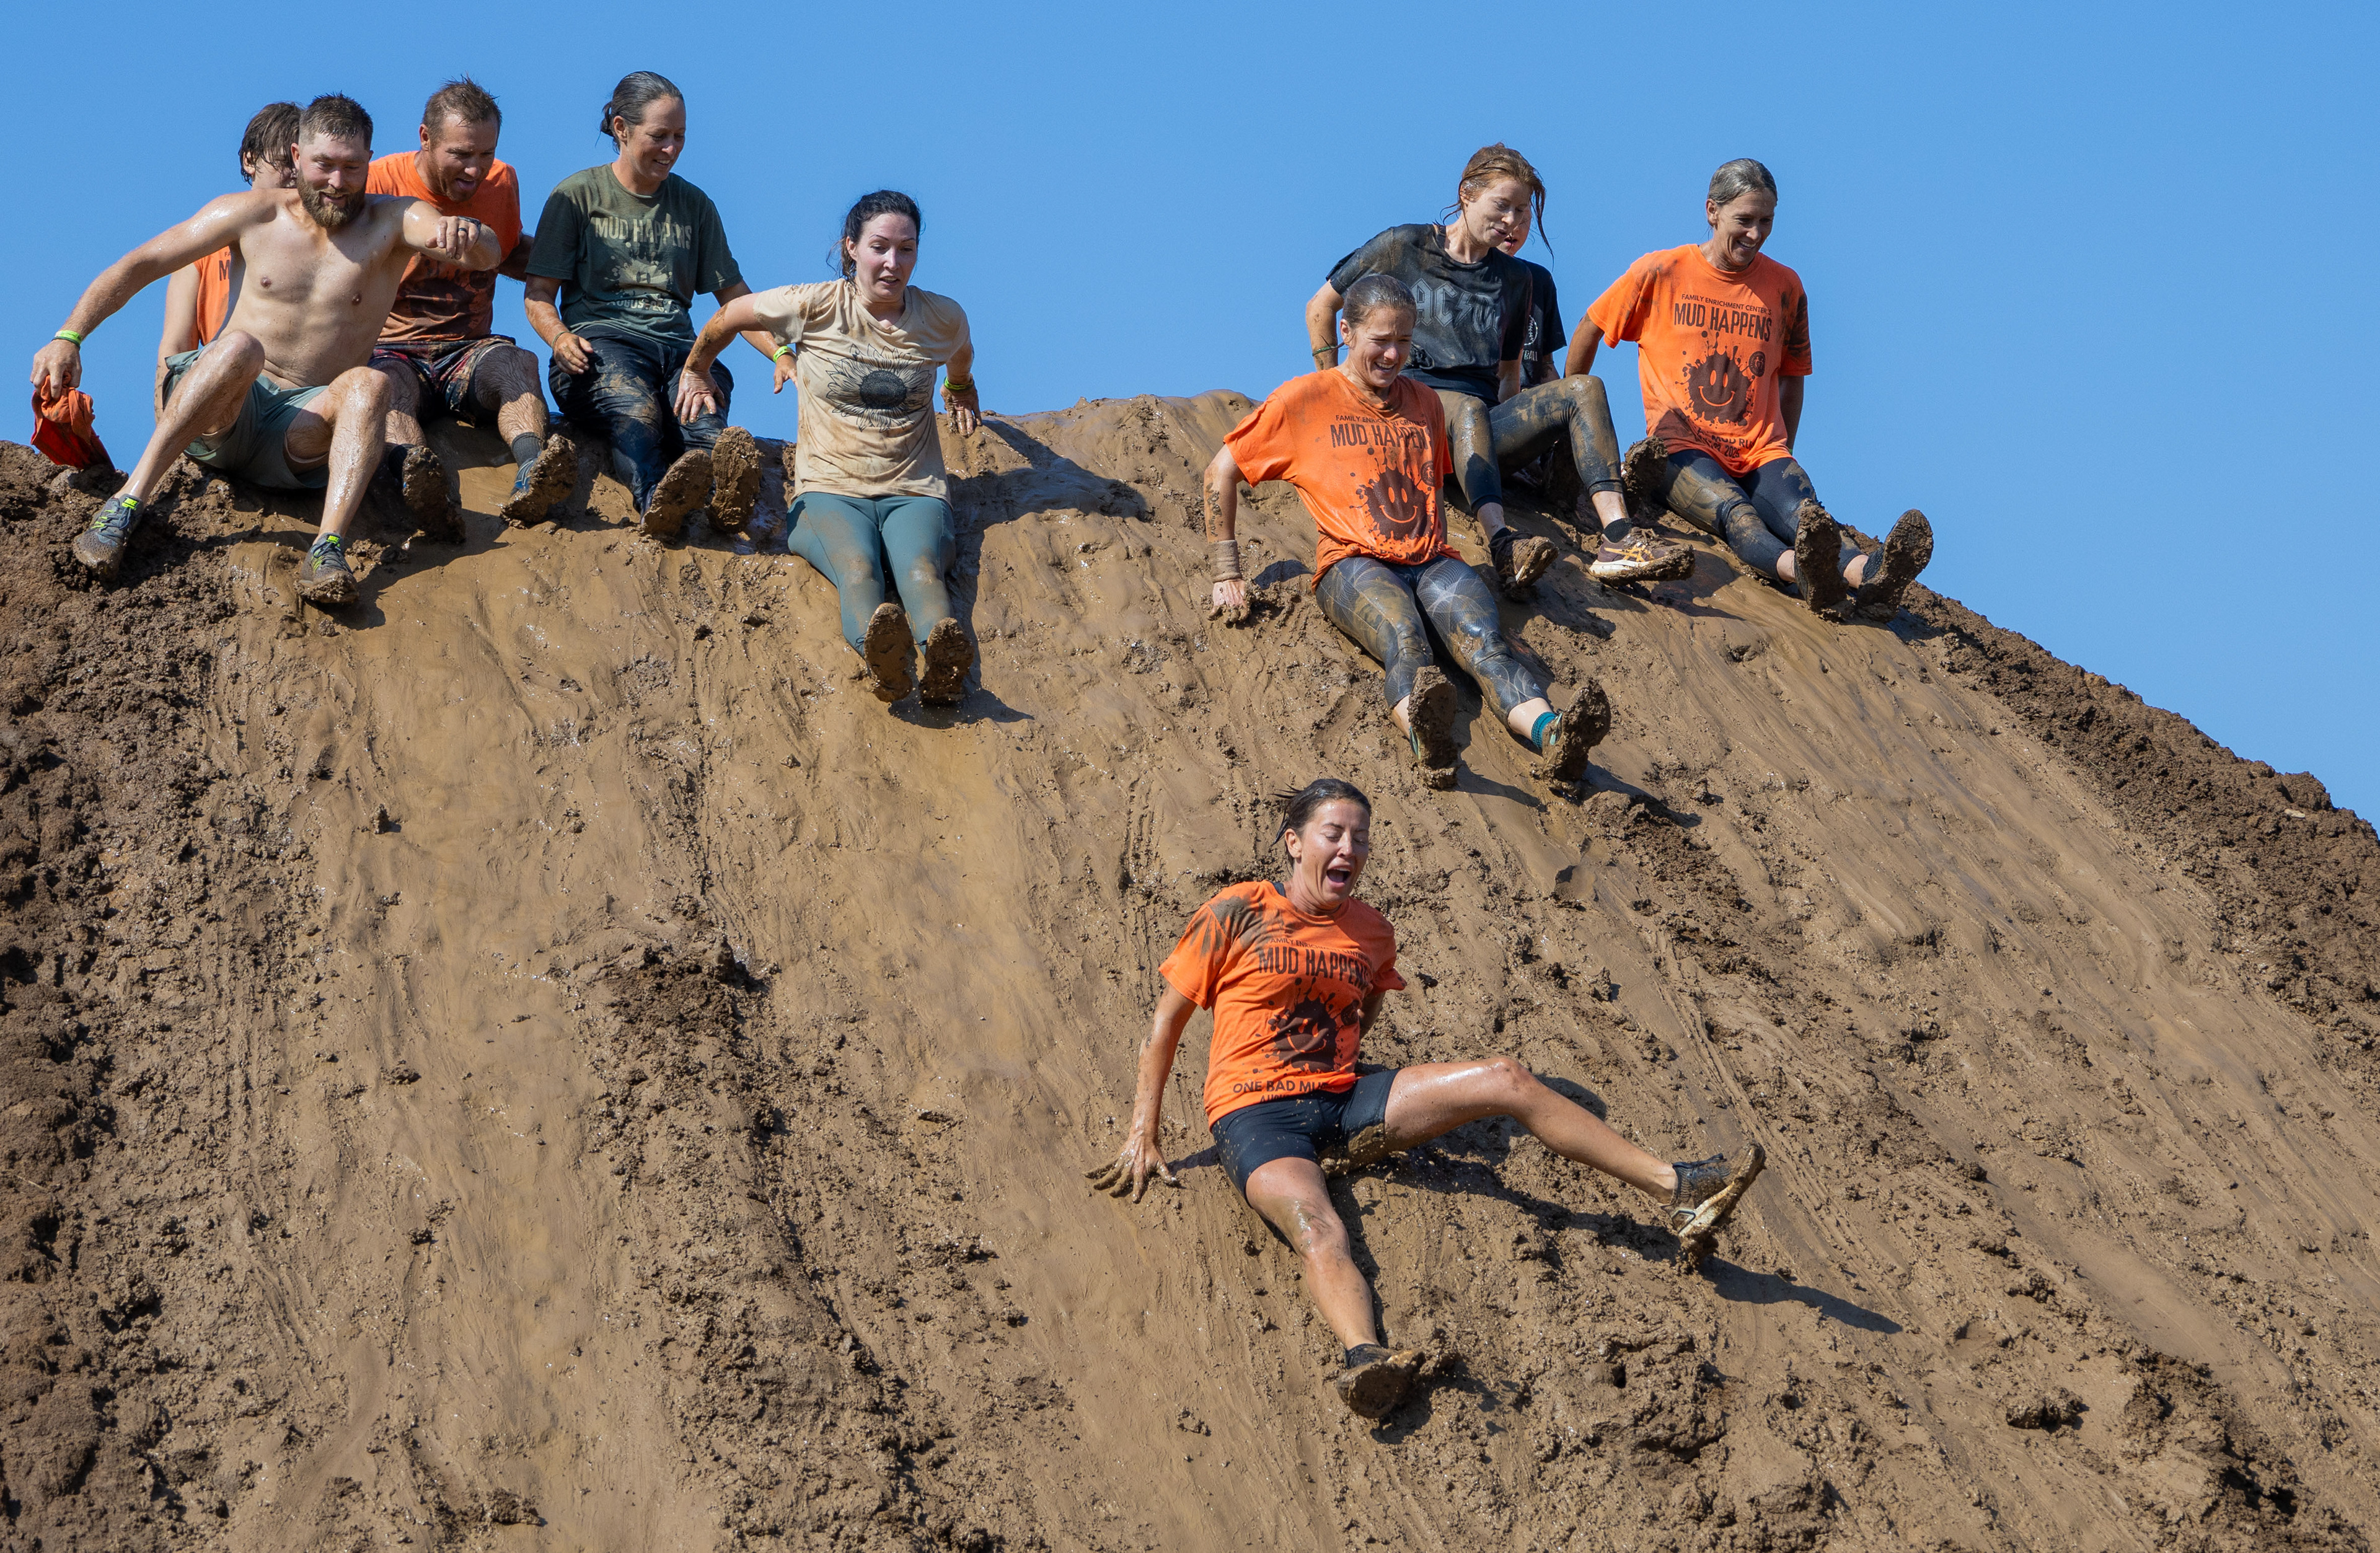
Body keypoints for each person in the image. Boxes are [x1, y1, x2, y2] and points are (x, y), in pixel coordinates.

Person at [1087, 779, 1766, 1421]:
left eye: (1361, 838)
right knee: (1317, 1227)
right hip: (1255, 1114)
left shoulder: (1373, 931)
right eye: (1333, 833)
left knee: (1505, 1076)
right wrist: (1142, 1132)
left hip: (1347, 1099)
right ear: (1295, 842)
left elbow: (1367, 1007)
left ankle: (1676, 1187)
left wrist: (1348, 1071)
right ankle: (1366, 1357)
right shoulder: (1237, 910)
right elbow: (1166, 1024)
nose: (1349, 849)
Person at [31, 94, 502, 603]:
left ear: (370, 161)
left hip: (298, 436)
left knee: (370, 382)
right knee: (239, 348)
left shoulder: (392, 222)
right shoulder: (253, 215)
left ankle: (327, 552)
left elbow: (483, 250)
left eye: (351, 167)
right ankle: (126, 506)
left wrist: (467, 235)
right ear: (297, 157)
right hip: (225, 411)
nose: (338, 184)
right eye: (324, 165)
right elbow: (140, 265)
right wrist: (69, 336)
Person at [1205, 274, 1606, 791]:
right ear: (1346, 332)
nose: (1394, 355)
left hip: (1432, 558)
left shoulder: (1426, 402)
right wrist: (1227, 571)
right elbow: (1222, 472)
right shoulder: (1303, 399)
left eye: (1404, 341)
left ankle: (1554, 738)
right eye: (1381, 341)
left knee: (1487, 645)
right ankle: (1427, 739)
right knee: (1405, 637)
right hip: (1352, 562)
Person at [1305, 145, 1691, 589]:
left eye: (1521, 210)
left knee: (1584, 387)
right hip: (1407, 420)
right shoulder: (1404, 246)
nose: (1511, 220)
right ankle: (1503, 544)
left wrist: (1529, 438)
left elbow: (1509, 379)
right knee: (1467, 407)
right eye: (1501, 206)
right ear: (1466, 194)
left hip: (1476, 433)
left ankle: (1619, 538)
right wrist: (1333, 392)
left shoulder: (1517, 280)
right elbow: (1321, 307)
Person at [1577, 159, 1934, 619]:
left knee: (1808, 517)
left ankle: (1872, 577)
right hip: (1682, 449)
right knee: (1738, 516)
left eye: (1766, 221)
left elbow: (1792, 378)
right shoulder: (1661, 271)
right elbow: (1591, 326)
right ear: (1712, 211)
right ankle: (1800, 572)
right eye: (1744, 220)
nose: (1755, 233)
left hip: (1762, 452)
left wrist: (1783, 452)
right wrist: (1575, 415)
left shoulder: (1785, 287)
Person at [678, 190, 981, 705]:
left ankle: (943, 659)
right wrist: (696, 369)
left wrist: (961, 388)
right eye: (879, 247)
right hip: (830, 490)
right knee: (859, 570)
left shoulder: (941, 316)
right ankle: (886, 659)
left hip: (914, 489)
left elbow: (961, 353)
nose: (892, 262)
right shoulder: (815, 304)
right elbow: (730, 314)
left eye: (906, 249)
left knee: (920, 570)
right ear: (851, 249)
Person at [526, 71, 776, 539]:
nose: (672, 149)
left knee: (701, 414)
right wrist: (559, 338)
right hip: (601, 346)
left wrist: (783, 356)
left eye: (680, 137)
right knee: (638, 410)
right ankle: (657, 503)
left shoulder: (695, 206)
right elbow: (539, 293)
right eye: (659, 136)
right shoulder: (576, 197)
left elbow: (736, 299)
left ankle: (726, 503)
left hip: (681, 350)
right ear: (621, 128)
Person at [366, 77, 580, 535]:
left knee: (517, 364)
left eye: (485, 154)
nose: (475, 169)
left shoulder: (502, 182)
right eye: (461, 154)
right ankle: (420, 483)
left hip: (468, 349)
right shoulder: (379, 182)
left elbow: (509, 253)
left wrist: (581, 266)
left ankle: (532, 471)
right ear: (425, 138)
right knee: (384, 392)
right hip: (394, 347)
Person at [156, 102, 301, 395]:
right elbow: (174, 349)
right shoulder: (205, 245)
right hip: (227, 392)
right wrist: (165, 418)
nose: (294, 174)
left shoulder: (323, 240)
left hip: (297, 396)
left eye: (302, 164)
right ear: (250, 160)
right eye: (285, 161)